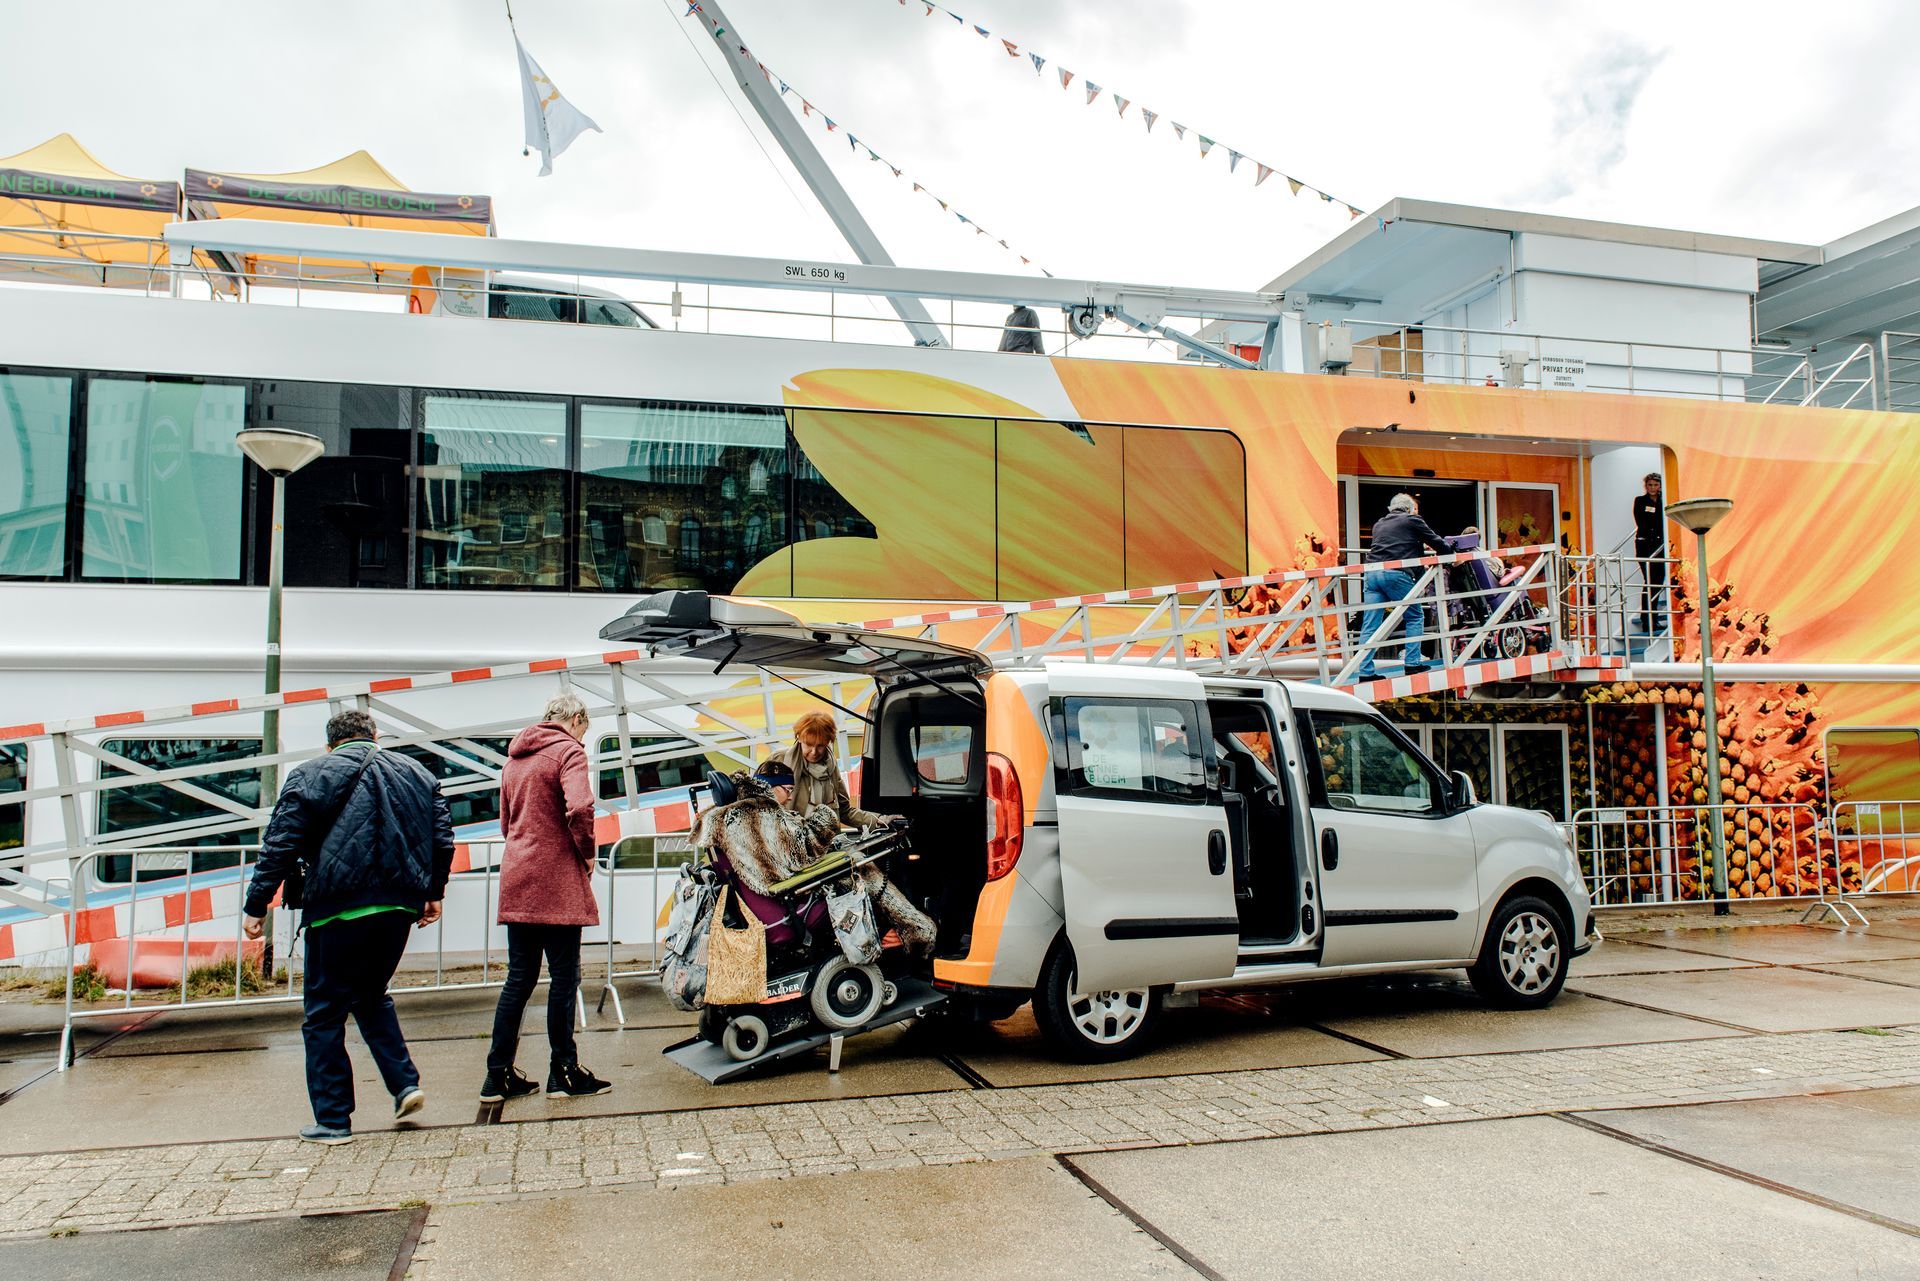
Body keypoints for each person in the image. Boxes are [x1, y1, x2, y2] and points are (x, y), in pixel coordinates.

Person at [242, 709, 453, 1146]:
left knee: (323, 1013)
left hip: (336, 909)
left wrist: (257, 903)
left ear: (329, 745)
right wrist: (434, 892)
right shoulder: (417, 773)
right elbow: (442, 838)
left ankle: (333, 1120)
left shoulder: (310, 774)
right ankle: (405, 1084)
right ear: (375, 736)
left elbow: (280, 843)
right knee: (371, 995)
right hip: (398, 907)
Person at [481, 694, 611, 1104]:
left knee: (518, 979)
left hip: (518, 873)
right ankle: (564, 1071)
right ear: (575, 720)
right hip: (555, 878)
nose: (583, 741)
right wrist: (587, 852)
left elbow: (506, 823)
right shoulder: (568, 752)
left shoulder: (515, 758)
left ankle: (497, 1077)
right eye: (584, 732)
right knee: (564, 977)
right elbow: (580, 807)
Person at [1355, 492, 1454, 680]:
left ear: (1391, 509)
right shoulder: (1412, 520)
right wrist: (1450, 551)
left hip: (1371, 573)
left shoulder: (1379, 524)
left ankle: (1365, 672)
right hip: (1396, 574)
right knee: (1415, 616)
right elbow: (1436, 542)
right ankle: (1412, 663)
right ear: (1409, 509)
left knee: (1371, 624)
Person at [768, 711, 899, 829]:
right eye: (808, 745)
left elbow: (844, 811)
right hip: (786, 844)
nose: (814, 752)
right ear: (798, 738)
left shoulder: (831, 767)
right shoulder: (778, 760)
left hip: (825, 846)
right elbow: (757, 806)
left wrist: (879, 820)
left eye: (820, 746)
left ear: (829, 742)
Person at [1633, 472, 1667, 633]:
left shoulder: (1664, 501)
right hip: (1645, 545)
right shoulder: (1640, 501)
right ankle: (1647, 619)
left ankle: (1650, 617)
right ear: (1646, 486)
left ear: (1660, 486)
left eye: (1655, 485)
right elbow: (1641, 521)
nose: (1652, 488)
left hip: (1659, 546)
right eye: (1650, 485)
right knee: (1650, 580)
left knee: (1657, 582)